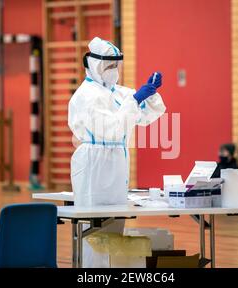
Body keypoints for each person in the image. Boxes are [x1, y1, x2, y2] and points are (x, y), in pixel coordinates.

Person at [68, 37, 166, 267]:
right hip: (94, 165)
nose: (113, 71)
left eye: (115, 65)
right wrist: (135, 100)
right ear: (94, 65)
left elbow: (147, 115)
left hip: (116, 163)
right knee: (93, 231)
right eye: (108, 66)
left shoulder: (117, 93)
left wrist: (150, 93)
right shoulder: (86, 96)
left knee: (114, 228)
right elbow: (111, 129)